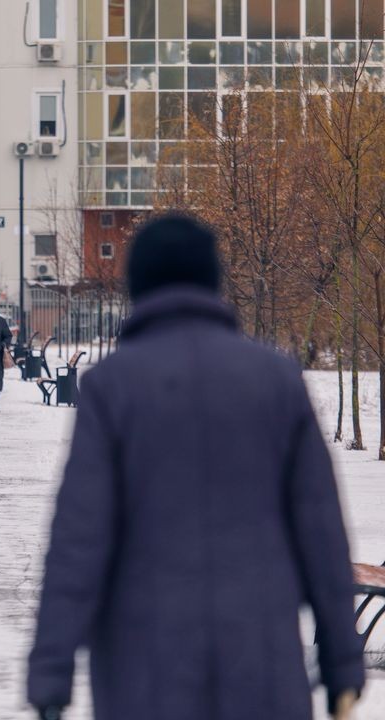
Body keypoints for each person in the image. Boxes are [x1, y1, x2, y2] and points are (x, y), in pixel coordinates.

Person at [27, 214, 364, 720]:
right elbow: (320, 531)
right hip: (262, 663)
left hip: (143, 670)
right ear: (212, 280)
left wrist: (50, 674)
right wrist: (342, 662)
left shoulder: (113, 386)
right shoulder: (276, 380)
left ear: (139, 285)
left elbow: (80, 538)